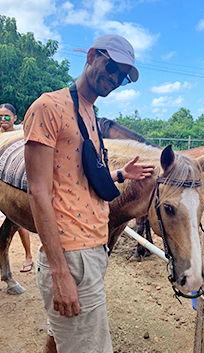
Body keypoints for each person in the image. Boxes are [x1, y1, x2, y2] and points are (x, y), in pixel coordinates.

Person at [23, 35, 154, 353]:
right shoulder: (48, 107)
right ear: (93, 55)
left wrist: (122, 175)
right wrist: (59, 272)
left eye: (122, 77)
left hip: (95, 249)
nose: (115, 78)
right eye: (112, 67)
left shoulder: (91, 117)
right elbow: (38, 191)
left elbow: (79, 178)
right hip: (71, 256)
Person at [0, 103, 34, 272]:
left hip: (14, 181)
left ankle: (28, 255)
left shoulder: (20, 133)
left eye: (6, 116)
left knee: (20, 223)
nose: (3, 120)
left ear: (14, 118)